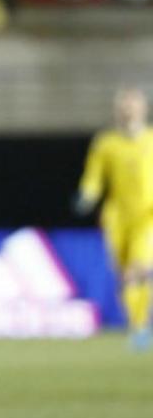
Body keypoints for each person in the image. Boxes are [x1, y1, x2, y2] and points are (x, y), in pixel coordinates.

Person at [77, 87, 153, 351]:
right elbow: (94, 176)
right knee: (125, 277)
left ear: (143, 108)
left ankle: (141, 326)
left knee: (137, 269)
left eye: (132, 105)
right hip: (117, 217)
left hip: (148, 215)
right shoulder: (106, 143)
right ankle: (140, 325)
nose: (127, 110)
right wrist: (87, 195)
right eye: (123, 106)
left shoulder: (151, 140)